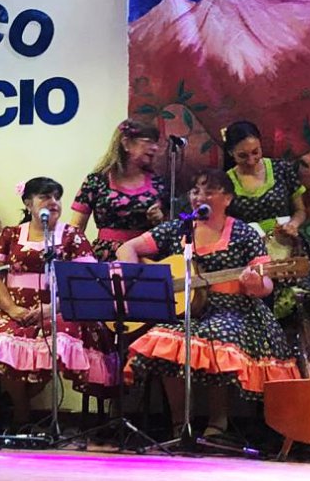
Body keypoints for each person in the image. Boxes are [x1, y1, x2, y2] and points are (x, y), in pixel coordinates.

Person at [117, 169, 300, 438]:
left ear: (227, 198)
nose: (200, 197)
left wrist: (255, 283)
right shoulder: (177, 228)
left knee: (217, 335)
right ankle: (180, 423)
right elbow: (127, 248)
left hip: (235, 309)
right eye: (195, 191)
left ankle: (219, 420)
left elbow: (267, 283)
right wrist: (135, 280)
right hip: (187, 309)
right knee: (163, 337)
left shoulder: (243, 233)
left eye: (209, 191)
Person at [0, 177, 118, 427]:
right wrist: (11, 308)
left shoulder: (73, 236)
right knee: (2, 340)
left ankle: (22, 408)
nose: (53, 203)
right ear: (28, 203)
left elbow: (85, 281)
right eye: (45, 197)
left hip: (58, 309)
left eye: (57, 198)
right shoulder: (10, 234)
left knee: (58, 338)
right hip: (13, 309)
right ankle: (21, 415)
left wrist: (53, 307)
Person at [222, 120, 310, 320]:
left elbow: (300, 210)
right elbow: (225, 224)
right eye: (243, 156)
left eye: (256, 152)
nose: (251, 160)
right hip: (252, 252)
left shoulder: (282, 169)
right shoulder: (225, 182)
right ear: (231, 153)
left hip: (289, 243)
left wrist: (294, 224)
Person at [71, 119, 167, 261]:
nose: (154, 148)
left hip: (148, 258)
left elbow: (170, 228)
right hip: (107, 258)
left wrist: (160, 219)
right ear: (126, 143)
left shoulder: (157, 183)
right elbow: (76, 228)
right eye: (148, 141)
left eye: (155, 143)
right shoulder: (96, 181)